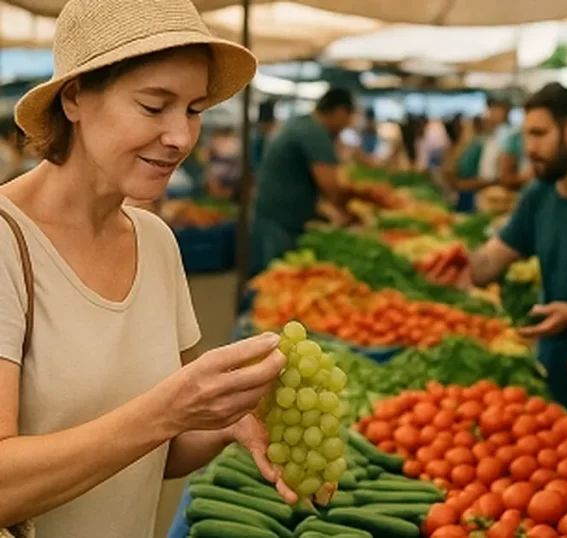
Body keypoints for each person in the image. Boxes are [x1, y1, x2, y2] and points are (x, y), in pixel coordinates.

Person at [0, 0, 301, 536]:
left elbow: (163, 450)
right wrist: (167, 409)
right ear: (74, 97)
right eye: (153, 105)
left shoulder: (157, 242)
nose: (182, 138)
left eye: (192, 110)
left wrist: (227, 421)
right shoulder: (7, 241)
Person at [425, 83, 567, 418]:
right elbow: (493, 260)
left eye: (539, 134)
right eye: (526, 135)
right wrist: (461, 264)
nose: (529, 148)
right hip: (549, 372)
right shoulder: (539, 195)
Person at [249, 88, 356, 277]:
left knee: (266, 279)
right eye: (350, 116)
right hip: (281, 221)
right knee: (274, 279)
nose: (350, 123)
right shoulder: (315, 134)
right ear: (340, 111)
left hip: (270, 212)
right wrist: (354, 210)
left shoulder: (302, 124)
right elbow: (332, 189)